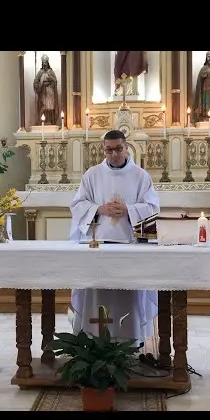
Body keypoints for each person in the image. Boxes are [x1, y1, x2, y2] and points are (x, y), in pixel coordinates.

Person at [68, 129, 160, 346]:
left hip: (130, 246)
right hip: (97, 247)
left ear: (126, 147)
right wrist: (100, 208)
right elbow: (77, 205)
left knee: (127, 296)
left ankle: (130, 342)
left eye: (118, 149)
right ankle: (92, 341)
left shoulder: (140, 176)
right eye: (108, 150)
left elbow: (153, 207)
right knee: (96, 296)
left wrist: (129, 210)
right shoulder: (92, 175)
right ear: (104, 150)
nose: (114, 154)